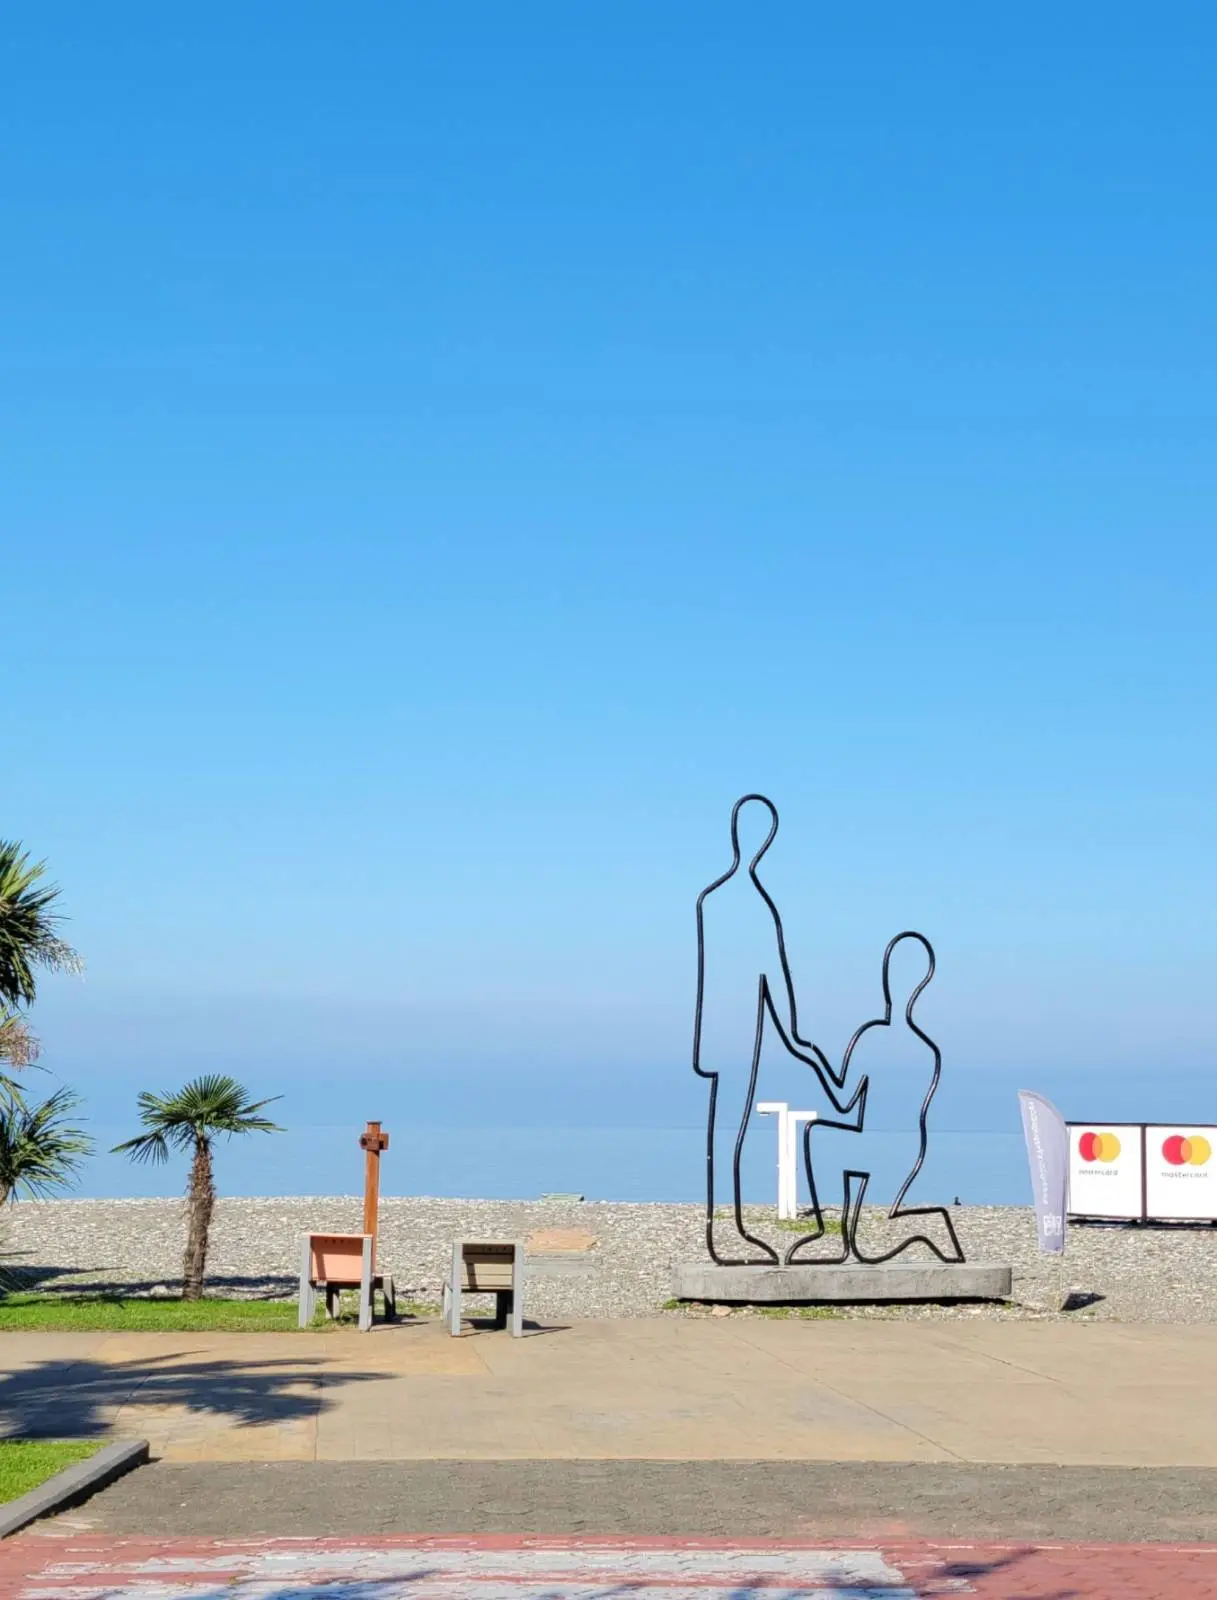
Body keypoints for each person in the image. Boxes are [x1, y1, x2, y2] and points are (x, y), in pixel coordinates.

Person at [693, 794, 863, 1264]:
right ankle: (735, 1229)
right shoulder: (755, 906)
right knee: (733, 1128)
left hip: (727, 1031)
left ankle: (732, 1226)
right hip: (740, 1029)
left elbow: (740, 976)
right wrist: (793, 1036)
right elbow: (772, 981)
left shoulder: (715, 898)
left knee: (727, 1128)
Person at [788, 931, 962, 1265]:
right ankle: (861, 1234)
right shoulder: (927, 1050)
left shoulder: (872, 1036)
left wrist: (814, 1055)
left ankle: (828, 1233)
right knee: (871, 1238)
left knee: (814, 1133)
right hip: (906, 1148)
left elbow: (843, 1101)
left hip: (873, 1146)